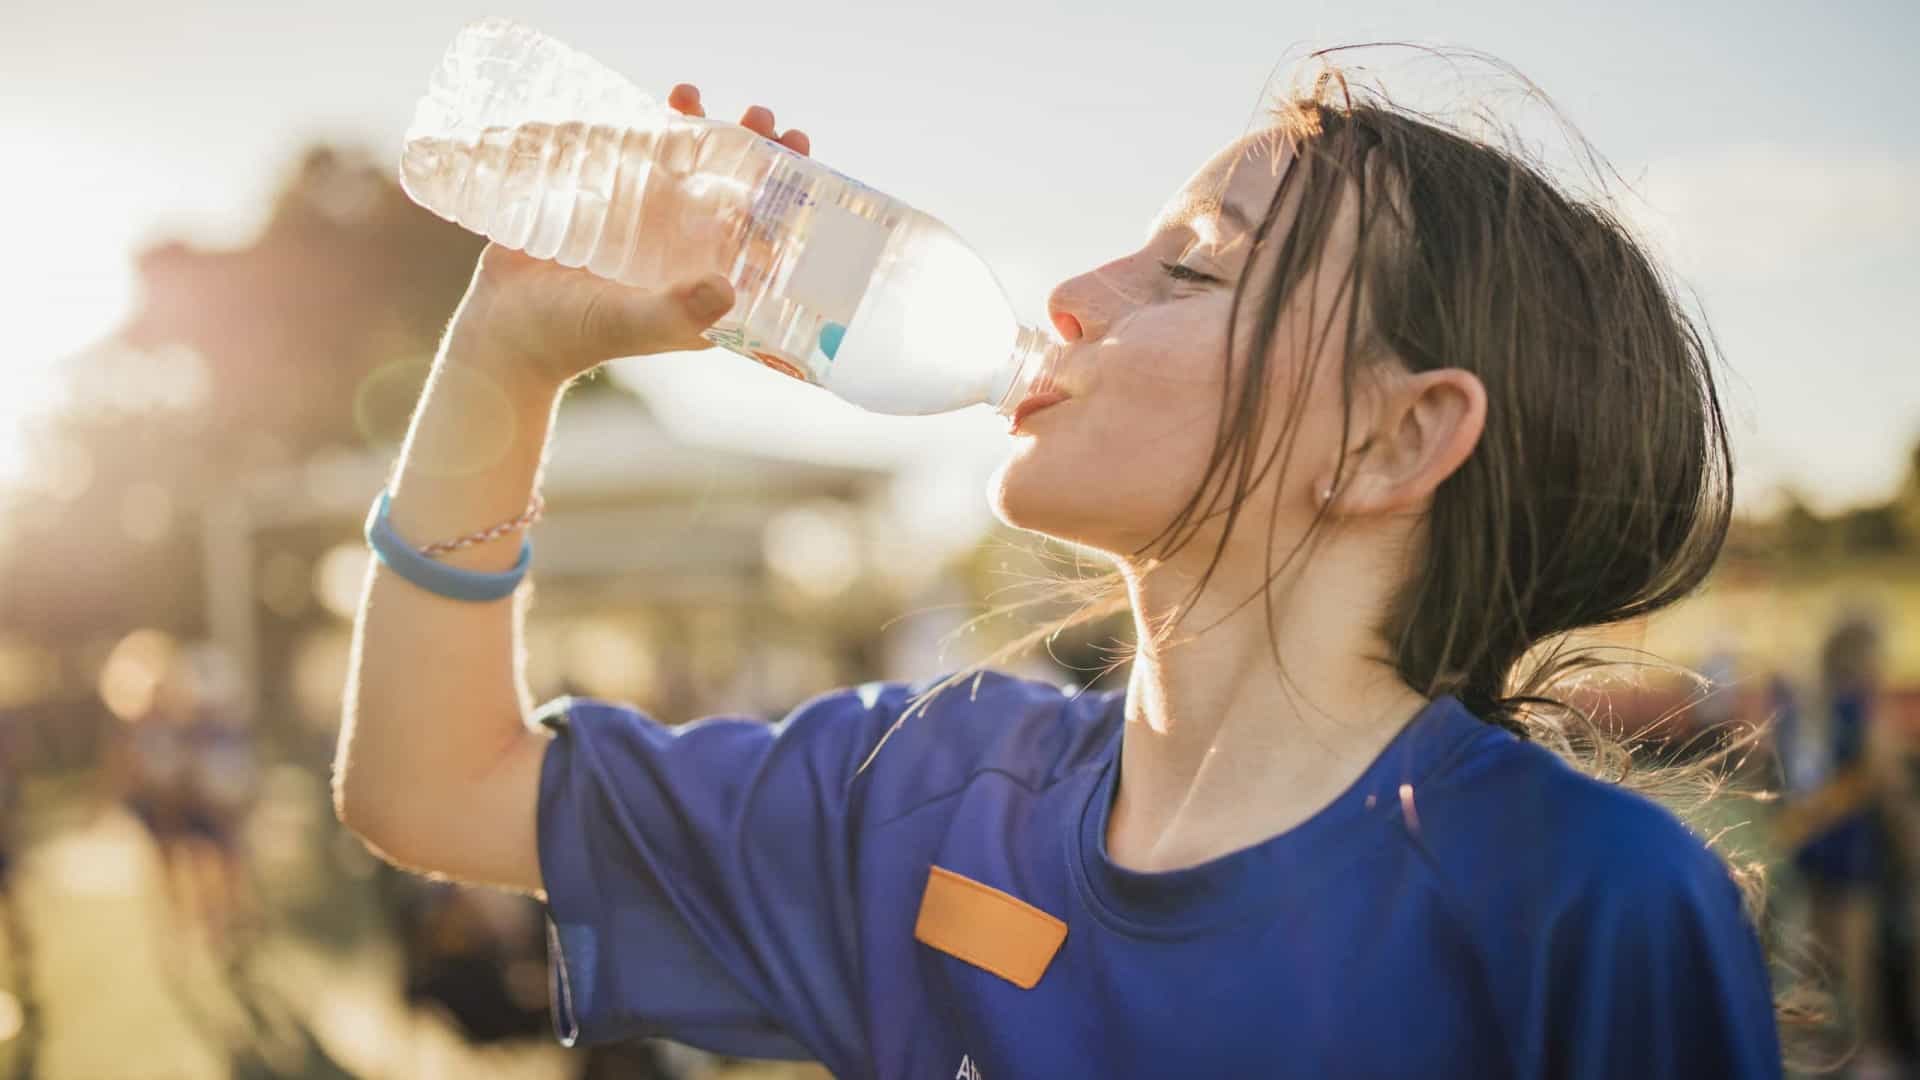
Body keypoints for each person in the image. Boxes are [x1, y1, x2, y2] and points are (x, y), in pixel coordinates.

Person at [335, 65, 1784, 1078]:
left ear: (1395, 437)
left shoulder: (1585, 905)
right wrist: (506, 358)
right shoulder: (926, 793)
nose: (1072, 298)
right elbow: (431, 787)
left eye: (1197, 269)